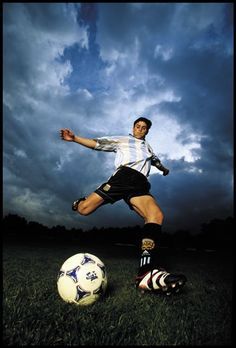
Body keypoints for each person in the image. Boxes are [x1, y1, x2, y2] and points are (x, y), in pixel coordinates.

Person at [60, 117, 186, 295]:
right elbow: (98, 143)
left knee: (156, 216)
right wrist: (75, 138)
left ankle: (145, 275)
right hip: (123, 177)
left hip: (140, 184)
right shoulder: (123, 140)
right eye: (138, 126)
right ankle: (79, 202)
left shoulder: (149, 148)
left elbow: (155, 160)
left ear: (147, 131)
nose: (140, 129)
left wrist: (163, 168)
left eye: (144, 128)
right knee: (84, 210)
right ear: (133, 128)